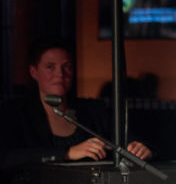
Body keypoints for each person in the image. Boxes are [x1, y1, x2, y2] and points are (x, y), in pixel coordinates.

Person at [1, 38, 153, 168]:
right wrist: (67, 153)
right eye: (50, 67)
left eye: (66, 67)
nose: (60, 74)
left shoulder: (93, 110)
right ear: (34, 72)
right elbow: (7, 158)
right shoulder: (15, 112)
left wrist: (141, 149)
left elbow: (130, 139)